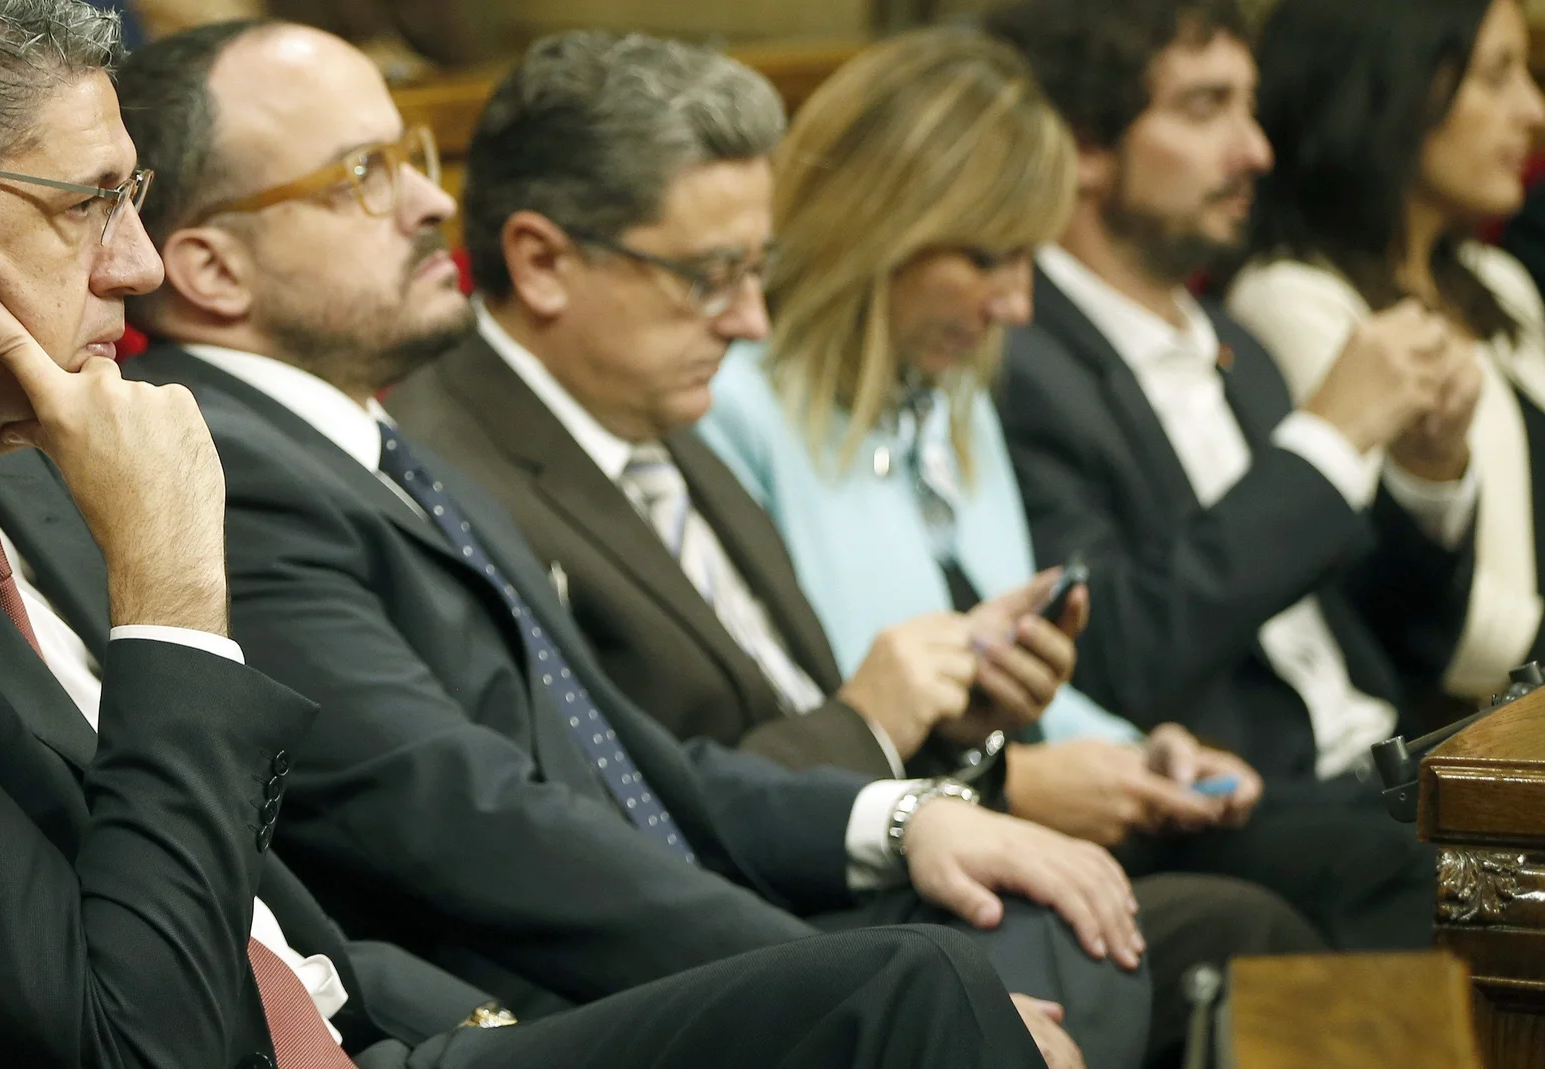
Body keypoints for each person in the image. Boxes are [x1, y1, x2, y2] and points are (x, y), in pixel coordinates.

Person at [0, 2, 1056, 1067]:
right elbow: (133, 1035)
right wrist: (174, 594)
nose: (134, 269)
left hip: (369, 1032)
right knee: (912, 1003)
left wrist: (473, 1026)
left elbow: (277, 919)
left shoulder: (11, 443)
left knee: (918, 988)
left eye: (135, 201)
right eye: (91, 207)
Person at [119, 21, 1144, 1067]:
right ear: (212, 268)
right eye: (362, 177)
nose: (430, 203)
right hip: (516, 1000)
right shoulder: (222, 469)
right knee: (1020, 971)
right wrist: (843, 989)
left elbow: (634, 765)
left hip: (646, 932)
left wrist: (899, 818)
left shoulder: (366, 444)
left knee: (1068, 938)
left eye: (412, 158)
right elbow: (462, 818)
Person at [385, 27, 1324, 1066]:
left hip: (843, 857)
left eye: (759, 270)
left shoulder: (657, 414)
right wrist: (915, 770)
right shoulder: (452, 466)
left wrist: (959, 744)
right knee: (1179, 933)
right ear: (542, 261)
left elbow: (777, 714)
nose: (750, 321)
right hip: (702, 936)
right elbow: (610, 809)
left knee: (1245, 915)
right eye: (710, 275)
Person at [974, 0, 1472, 946]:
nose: (1255, 151)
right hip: (1231, 800)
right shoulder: (1016, 361)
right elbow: (1109, 646)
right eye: (1206, 109)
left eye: (1250, 108)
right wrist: (1325, 444)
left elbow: (1401, 637)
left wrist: (1427, 475)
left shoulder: (1234, 342)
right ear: (1083, 144)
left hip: (1384, 758)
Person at [1229, 0, 1545, 705]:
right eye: (1495, 76)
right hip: (1456, 716)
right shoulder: (1292, 299)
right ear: (1391, 86)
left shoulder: (1497, 281)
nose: (1532, 110)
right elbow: (1396, 610)